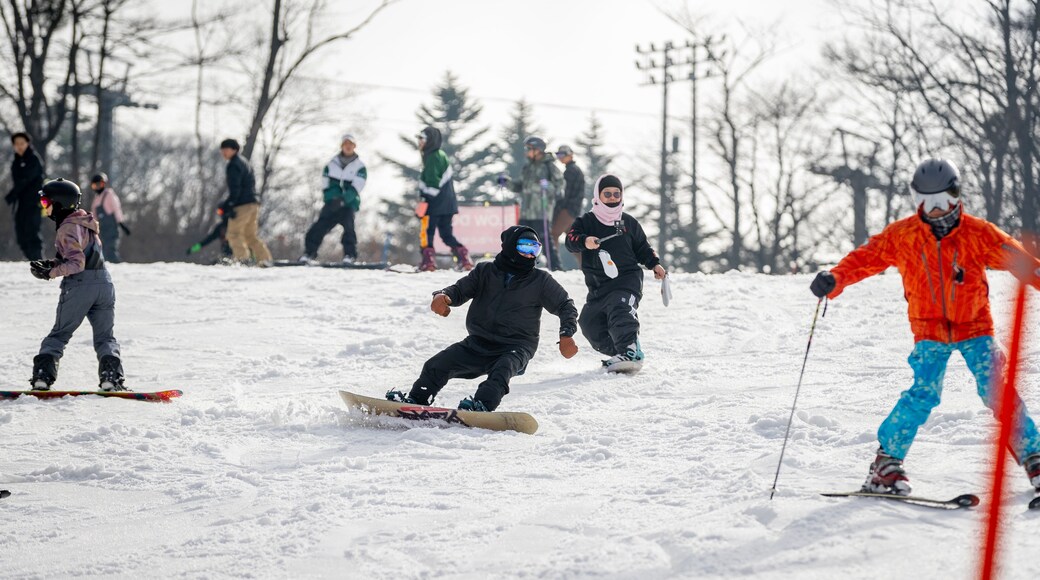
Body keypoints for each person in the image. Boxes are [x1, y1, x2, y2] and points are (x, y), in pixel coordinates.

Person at [810, 158, 1040, 497]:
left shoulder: (979, 234)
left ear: (957, 195)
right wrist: (835, 278)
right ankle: (885, 464)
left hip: (974, 326)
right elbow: (866, 258)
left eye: (944, 200)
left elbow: (1024, 263)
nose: (936, 210)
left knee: (995, 388)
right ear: (916, 200)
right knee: (924, 393)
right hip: (929, 330)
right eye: (926, 201)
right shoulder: (903, 236)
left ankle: (1033, 457)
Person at [387, 225, 578, 411]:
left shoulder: (540, 281)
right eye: (524, 247)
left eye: (535, 249)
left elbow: (565, 305)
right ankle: (416, 399)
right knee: (437, 364)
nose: (530, 254)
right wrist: (443, 296)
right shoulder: (485, 272)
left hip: (517, 345)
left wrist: (566, 334)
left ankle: (482, 405)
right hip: (479, 342)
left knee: (502, 370)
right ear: (510, 246)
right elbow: (460, 290)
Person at [28, 178, 126, 391]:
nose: (45, 208)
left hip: (80, 287)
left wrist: (51, 272)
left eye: (46, 203)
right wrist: (52, 263)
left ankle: (42, 377)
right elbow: (84, 255)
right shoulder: (87, 224)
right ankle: (111, 378)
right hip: (104, 284)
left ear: (60, 203)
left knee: (59, 334)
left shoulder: (66, 228)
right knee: (105, 337)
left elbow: (76, 263)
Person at [565, 174, 667, 373]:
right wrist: (584, 241)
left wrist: (654, 264)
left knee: (619, 307)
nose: (612, 197)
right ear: (598, 196)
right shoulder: (586, 221)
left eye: (616, 194)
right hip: (598, 286)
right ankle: (623, 352)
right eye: (607, 194)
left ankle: (629, 349)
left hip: (626, 281)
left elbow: (643, 248)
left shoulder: (628, 222)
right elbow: (570, 240)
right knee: (589, 323)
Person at [300, 134, 367, 264]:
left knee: (349, 228)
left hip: (348, 205)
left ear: (354, 146)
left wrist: (343, 200)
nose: (348, 147)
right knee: (319, 227)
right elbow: (325, 185)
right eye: (345, 144)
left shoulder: (360, 167)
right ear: (341, 146)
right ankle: (309, 253)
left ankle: (350, 255)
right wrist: (333, 199)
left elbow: (357, 187)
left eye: (350, 144)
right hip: (332, 204)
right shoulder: (331, 165)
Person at [416, 126, 472, 272]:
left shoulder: (432, 157)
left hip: (434, 204)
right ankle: (464, 258)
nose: (419, 142)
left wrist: (424, 202)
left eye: (422, 138)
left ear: (430, 141)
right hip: (448, 204)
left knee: (426, 232)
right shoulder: (441, 155)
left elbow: (433, 184)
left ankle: (428, 262)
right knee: (446, 234)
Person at [508, 136, 563, 270]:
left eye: (529, 149)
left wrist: (546, 186)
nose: (526, 152)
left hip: (541, 211)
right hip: (526, 211)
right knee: (520, 238)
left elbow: (559, 187)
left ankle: (555, 267)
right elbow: (519, 186)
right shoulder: (528, 167)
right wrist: (507, 182)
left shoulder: (549, 166)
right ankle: (519, 265)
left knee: (544, 239)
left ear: (537, 150)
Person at [219, 138, 272, 266]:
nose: (223, 153)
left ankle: (242, 260)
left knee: (233, 234)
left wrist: (229, 204)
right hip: (253, 203)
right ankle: (265, 260)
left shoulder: (233, 165)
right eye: (222, 150)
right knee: (250, 235)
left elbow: (235, 188)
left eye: (226, 150)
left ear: (234, 150)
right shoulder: (245, 162)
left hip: (242, 204)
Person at [5, 132, 44, 260]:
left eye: (22, 143)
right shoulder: (15, 162)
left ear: (28, 144)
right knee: (20, 235)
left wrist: (12, 194)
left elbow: (26, 180)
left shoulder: (34, 160)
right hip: (21, 204)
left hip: (33, 203)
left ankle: (38, 261)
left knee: (31, 233)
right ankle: (31, 261)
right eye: (17, 144)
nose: (20, 146)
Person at [552, 145, 586, 267]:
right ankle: (586, 265)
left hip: (569, 210)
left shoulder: (571, 171)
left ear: (570, 155)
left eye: (563, 155)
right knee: (573, 239)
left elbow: (565, 194)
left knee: (554, 234)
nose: (560, 158)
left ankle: (554, 264)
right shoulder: (573, 170)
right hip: (574, 210)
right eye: (558, 155)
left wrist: (557, 208)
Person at [88, 172, 130, 263]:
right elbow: (94, 215)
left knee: (110, 251)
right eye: (95, 186)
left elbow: (116, 209)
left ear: (104, 184)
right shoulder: (96, 199)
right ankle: (109, 270)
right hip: (103, 230)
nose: (98, 188)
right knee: (103, 251)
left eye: (100, 185)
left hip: (112, 228)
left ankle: (120, 267)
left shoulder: (109, 195)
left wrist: (122, 224)